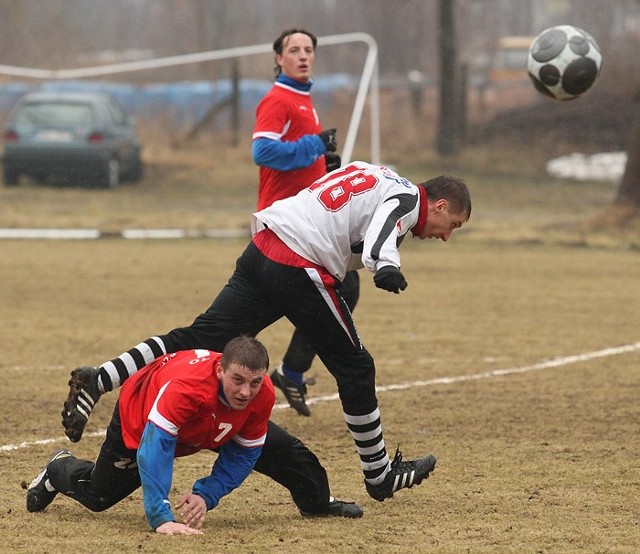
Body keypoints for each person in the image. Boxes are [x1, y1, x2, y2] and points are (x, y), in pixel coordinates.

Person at [62, 160, 471, 502]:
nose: (446, 235)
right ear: (436, 204)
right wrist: (387, 266)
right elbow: (383, 231)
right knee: (356, 367)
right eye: (451, 223)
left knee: (196, 338)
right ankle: (379, 474)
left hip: (266, 245)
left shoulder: (378, 172)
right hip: (299, 264)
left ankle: (100, 378)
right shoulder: (405, 201)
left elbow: (337, 206)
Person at [29, 337, 276, 535]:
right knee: (98, 496)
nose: (245, 391)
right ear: (220, 370)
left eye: (254, 382)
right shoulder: (189, 389)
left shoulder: (263, 394)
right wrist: (161, 517)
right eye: (238, 380)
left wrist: (206, 495)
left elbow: (245, 453)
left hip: (196, 428)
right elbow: (155, 448)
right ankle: (57, 467)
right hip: (139, 415)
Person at [252, 27, 360, 417]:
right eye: (293, 49)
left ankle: (292, 372)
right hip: (281, 227)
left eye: (308, 49)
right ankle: (284, 371)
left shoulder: (303, 99)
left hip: (301, 226)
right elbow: (263, 152)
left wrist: (322, 166)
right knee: (339, 288)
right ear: (278, 58)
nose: (302, 55)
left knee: (345, 286)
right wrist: (314, 146)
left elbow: (292, 158)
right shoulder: (278, 99)